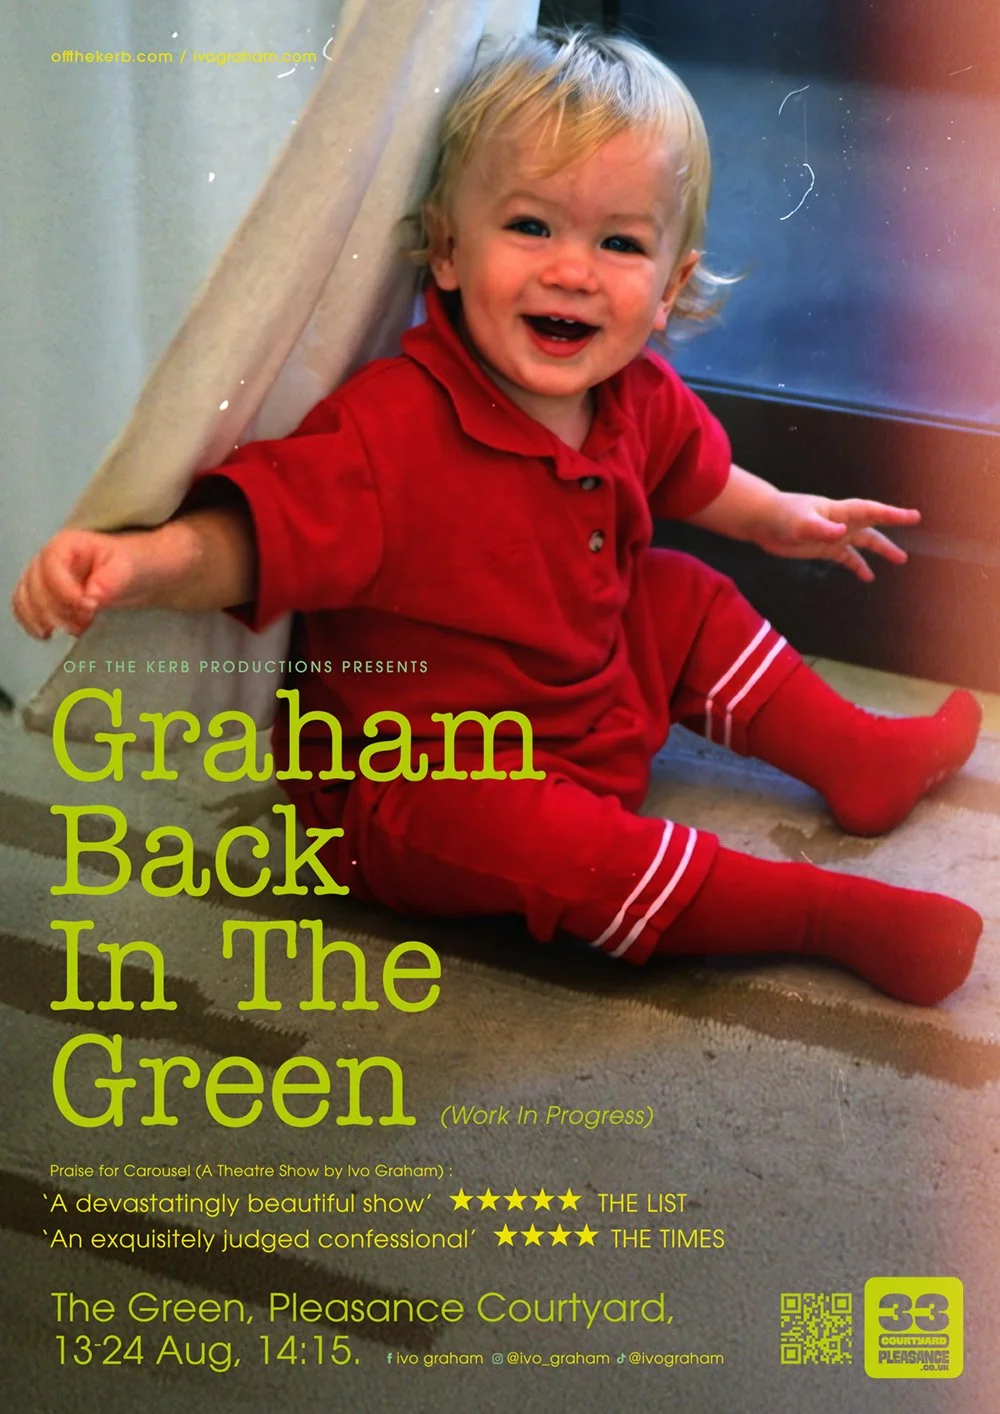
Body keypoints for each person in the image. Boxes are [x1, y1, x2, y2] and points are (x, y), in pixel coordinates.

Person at [12, 28, 984, 1006]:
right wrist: (135, 564)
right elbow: (251, 540)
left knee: (679, 590)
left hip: (586, 701)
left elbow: (696, 475)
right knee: (545, 845)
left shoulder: (633, 394)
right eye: (531, 227)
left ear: (667, 289)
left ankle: (854, 754)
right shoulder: (389, 431)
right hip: (425, 783)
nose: (572, 270)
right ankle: (814, 914)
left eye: (618, 243)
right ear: (444, 249)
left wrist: (780, 517)